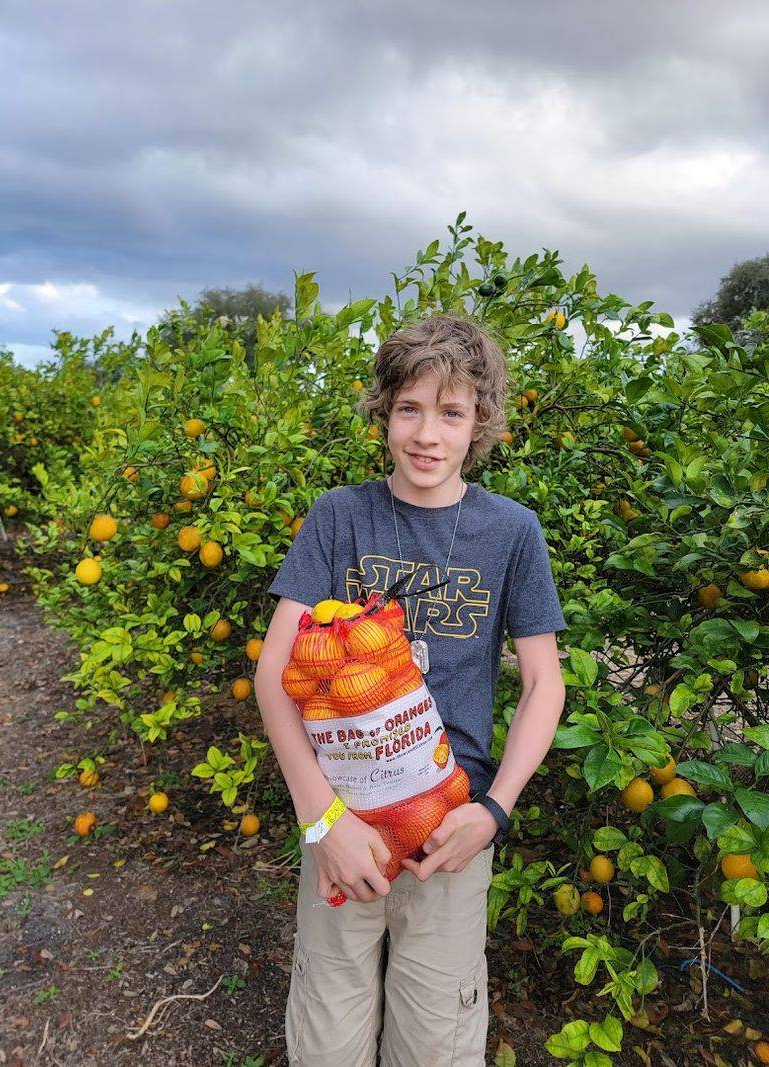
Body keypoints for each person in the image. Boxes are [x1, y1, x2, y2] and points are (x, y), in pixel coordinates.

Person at [254, 314, 567, 1066]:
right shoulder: (341, 516)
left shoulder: (511, 531)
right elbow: (273, 673)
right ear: (384, 413)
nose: (428, 433)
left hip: (449, 833)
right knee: (328, 1029)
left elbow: (543, 684)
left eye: (451, 412)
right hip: (343, 828)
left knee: (437, 1039)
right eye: (410, 409)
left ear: (479, 423)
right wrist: (322, 818)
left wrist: (494, 811)